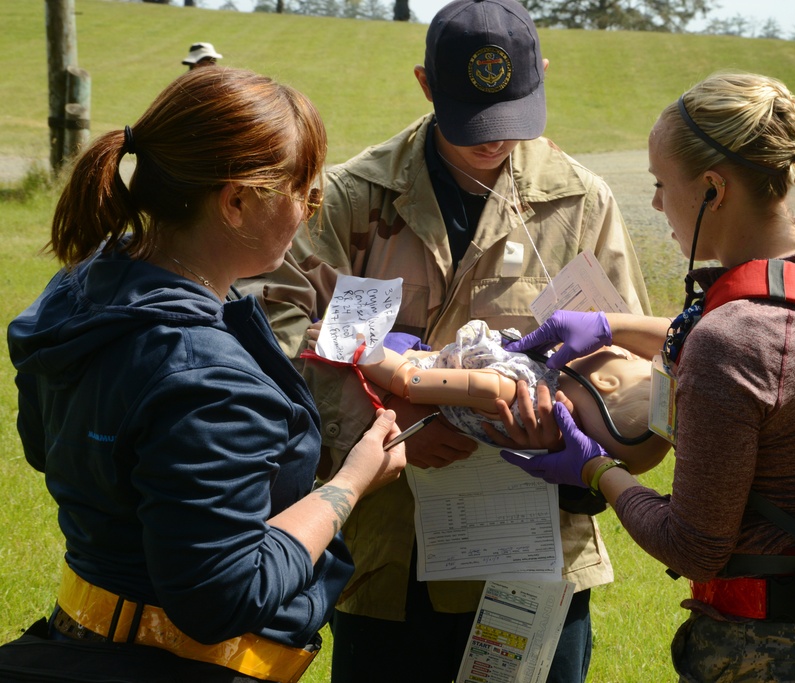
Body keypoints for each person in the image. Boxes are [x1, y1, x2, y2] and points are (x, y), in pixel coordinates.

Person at [239, 0, 650, 679]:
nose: (493, 141)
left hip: (536, 555)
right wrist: (388, 430)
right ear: (426, 86)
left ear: (541, 77)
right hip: (392, 555)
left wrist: (565, 426)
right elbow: (281, 341)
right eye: (472, 122)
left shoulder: (582, 202)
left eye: (511, 118)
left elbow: (626, 371)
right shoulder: (353, 197)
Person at [503, 72, 795, 681]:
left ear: (711, 190)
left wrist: (593, 464)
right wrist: (613, 325)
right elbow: (770, 355)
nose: (654, 204)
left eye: (659, 184)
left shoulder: (733, 344)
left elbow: (693, 547)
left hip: (775, 652)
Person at [5, 67, 406, 682]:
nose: (308, 211)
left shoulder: (81, 291)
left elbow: (46, 446)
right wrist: (351, 482)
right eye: (304, 191)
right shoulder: (207, 378)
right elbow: (225, 594)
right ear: (238, 201)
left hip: (75, 643)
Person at [339, 320, 669, 473]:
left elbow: (410, 381)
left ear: (606, 381)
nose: (627, 352)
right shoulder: (541, 433)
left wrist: (353, 347)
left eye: (630, 358)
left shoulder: (509, 389)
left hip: (388, 358)